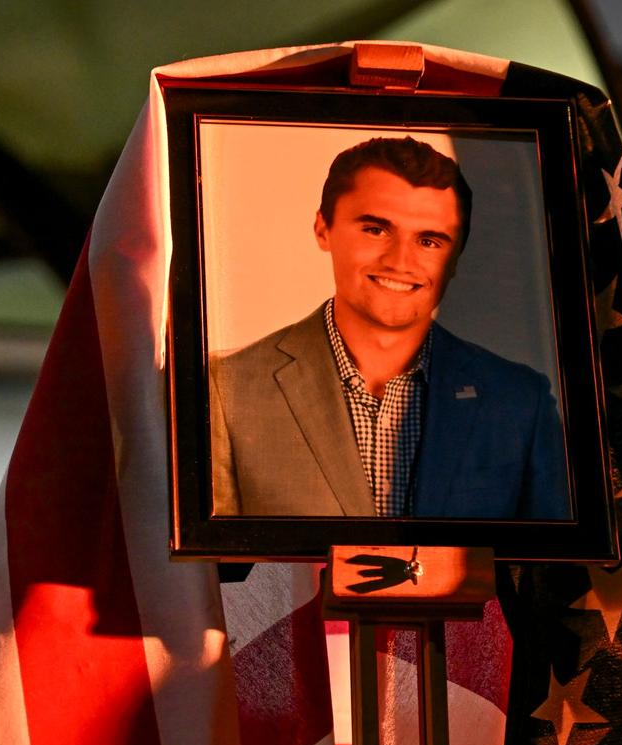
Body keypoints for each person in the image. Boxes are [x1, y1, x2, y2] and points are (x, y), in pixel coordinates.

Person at [209, 136, 569, 519]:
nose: (400, 261)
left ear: (456, 258)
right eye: (376, 230)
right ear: (322, 229)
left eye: (429, 241)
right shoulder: (227, 388)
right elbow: (214, 574)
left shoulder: (519, 401)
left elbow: (551, 573)